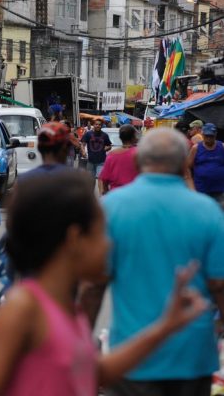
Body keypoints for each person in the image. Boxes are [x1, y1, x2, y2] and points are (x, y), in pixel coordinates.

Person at [0, 171, 208, 396]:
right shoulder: (24, 307)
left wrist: (165, 327)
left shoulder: (68, 309)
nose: (110, 244)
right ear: (75, 239)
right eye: (102, 233)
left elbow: (94, 373)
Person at [79, 128, 224, 396]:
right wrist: (216, 330)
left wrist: (80, 348)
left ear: (137, 162)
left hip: (131, 358)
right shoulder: (209, 212)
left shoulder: (111, 208)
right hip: (193, 358)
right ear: (184, 164)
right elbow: (220, 284)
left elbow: (92, 287)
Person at [187, 123, 224, 208]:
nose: (209, 138)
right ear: (203, 135)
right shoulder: (196, 148)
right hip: (201, 190)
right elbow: (187, 167)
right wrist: (191, 187)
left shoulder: (222, 147)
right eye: (207, 136)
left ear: (215, 135)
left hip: (220, 191)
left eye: (211, 136)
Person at [98, 124, 139, 195]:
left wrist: (106, 193)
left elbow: (104, 179)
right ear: (133, 137)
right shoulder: (141, 153)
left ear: (120, 138)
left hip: (116, 195)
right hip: (136, 194)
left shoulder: (112, 155)